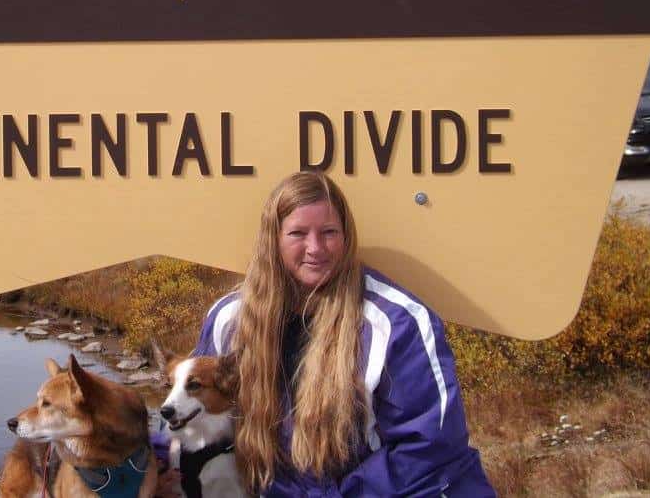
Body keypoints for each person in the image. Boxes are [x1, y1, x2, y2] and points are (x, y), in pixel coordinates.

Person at [191, 170, 493, 497]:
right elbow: (196, 415)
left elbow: (431, 446)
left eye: (329, 232)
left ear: (346, 235)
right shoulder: (230, 319)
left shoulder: (396, 323)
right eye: (298, 233)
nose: (315, 247)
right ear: (273, 239)